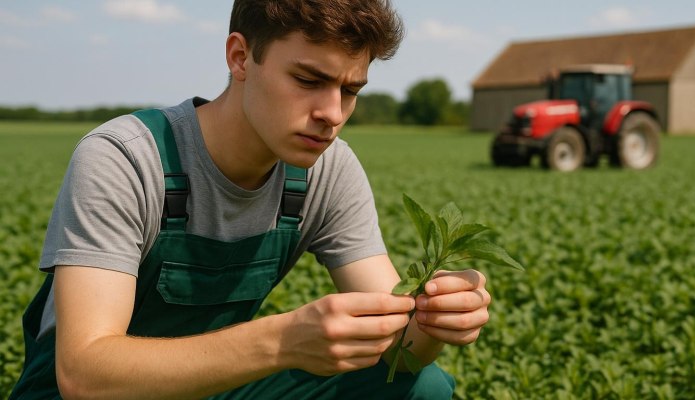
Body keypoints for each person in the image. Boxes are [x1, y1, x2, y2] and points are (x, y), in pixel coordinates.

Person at [11, 0, 491, 398]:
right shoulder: (127, 159)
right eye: (308, 80)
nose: (331, 113)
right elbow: (84, 376)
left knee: (421, 388)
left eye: (350, 90)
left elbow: (396, 351)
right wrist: (281, 341)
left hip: (213, 386)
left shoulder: (329, 169)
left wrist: (433, 322)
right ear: (240, 57)